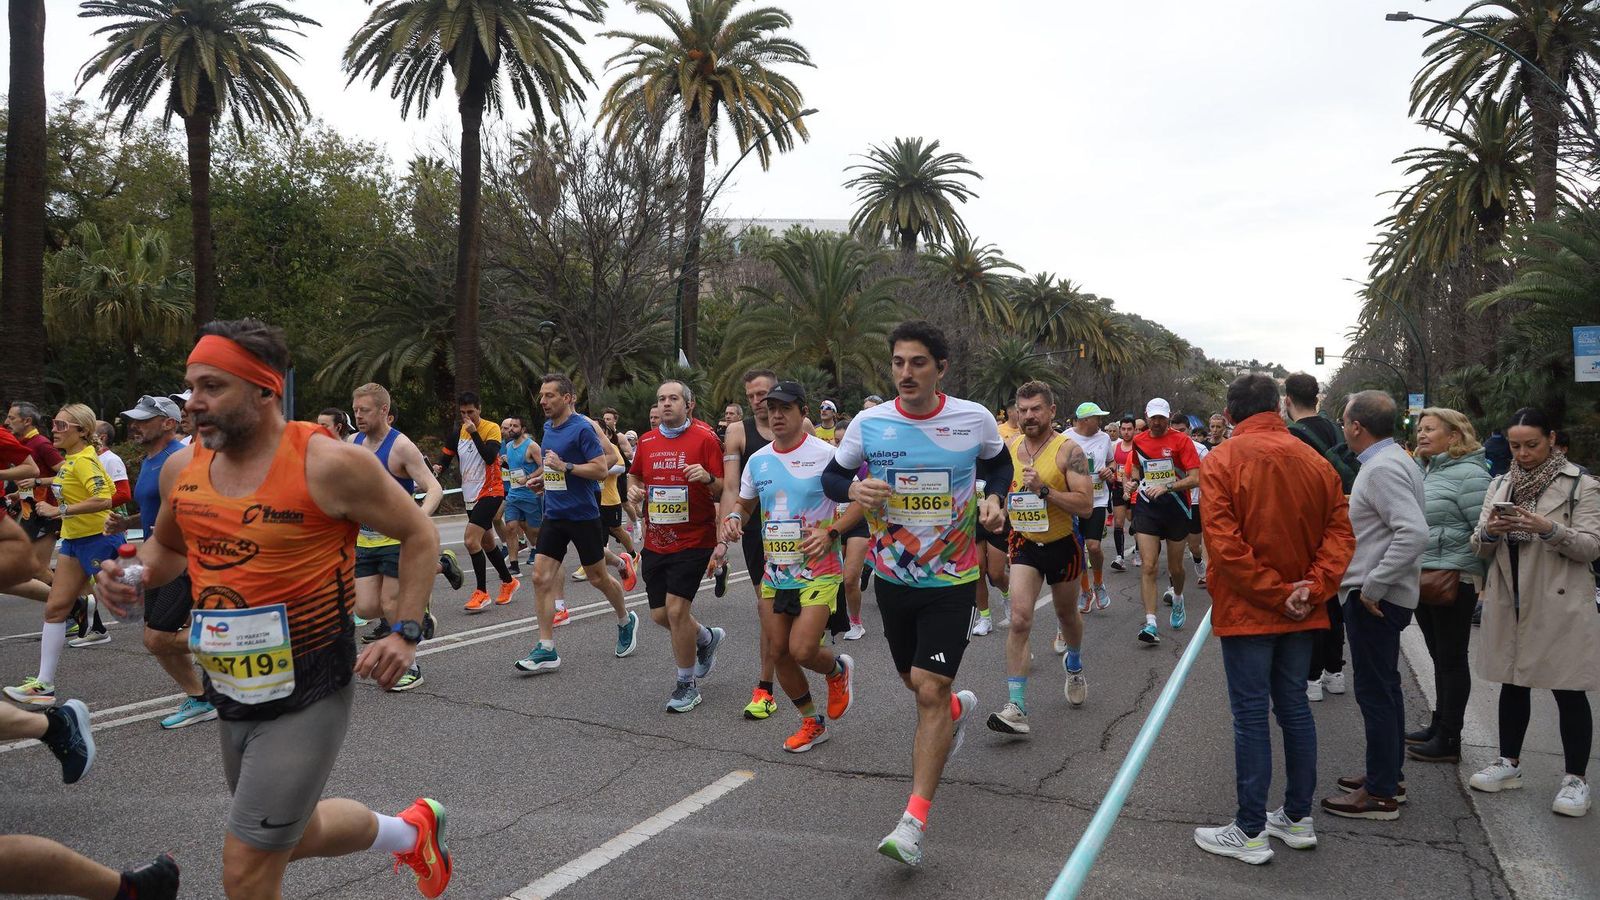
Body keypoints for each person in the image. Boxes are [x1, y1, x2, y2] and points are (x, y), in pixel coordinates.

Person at [93, 319, 452, 899]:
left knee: (247, 863)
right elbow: (169, 548)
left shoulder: (328, 464)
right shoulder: (186, 469)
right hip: (232, 682)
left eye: (212, 387)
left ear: (265, 390)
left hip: (309, 682)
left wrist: (404, 631)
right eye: (191, 389)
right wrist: (132, 576)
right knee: (290, 832)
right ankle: (409, 833)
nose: (194, 404)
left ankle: (406, 834)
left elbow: (419, 535)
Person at [823, 320, 1010, 867]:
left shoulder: (972, 419)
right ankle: (955, 709)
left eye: (918, 363)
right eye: (899, 362)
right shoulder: (869, 422)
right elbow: (834, 479)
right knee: (915, 682)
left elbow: (998, 462)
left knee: (926, 689)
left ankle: (912, 823)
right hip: (893, 576)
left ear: (940, 368)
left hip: (952, 578)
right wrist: (853, 488)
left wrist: (995, 496)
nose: (906, 373)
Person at [1192, 374, 1355, 865]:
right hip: (1303, 609)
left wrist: (1277, 593)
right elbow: (1340, 533)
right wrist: (1312, 588)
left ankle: (1249, 829)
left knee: (1250, 716)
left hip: (1250, 611)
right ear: (1280, 407)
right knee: (1294, 710)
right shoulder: (1316, 460)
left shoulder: (1221, 460)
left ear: (1231, 411)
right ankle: (1297, 817)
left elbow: (1224, 544)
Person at [1467, 407, 1599, 818]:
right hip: (1512, 597)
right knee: (1513, 681)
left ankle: (1575, 779)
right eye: (1515, 445)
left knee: (1568, 689)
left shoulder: (1582, 485)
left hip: (1559, 599)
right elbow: (1478, 543)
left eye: (1532, 444)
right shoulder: (1502, 483)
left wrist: (1549, 529)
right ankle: (1509, 763)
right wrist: (1491, 531)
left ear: (1552, 439)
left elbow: (1591, 546)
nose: (1522, 453)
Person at [724, 380, 858, 750]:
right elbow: (746, 503)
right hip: (777, 571)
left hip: (820, 569)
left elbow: (861, 501)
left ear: (803, 412)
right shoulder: (759, 460)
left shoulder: (827, 455)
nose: (776, 414)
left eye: (785, 408)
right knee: (778, 651)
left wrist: (831, 531)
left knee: (802, 649)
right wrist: (735, 517)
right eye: (772, 408)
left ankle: (837, 670)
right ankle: (811, 721)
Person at [1322, 390, 1427, 821]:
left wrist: (1373, 586)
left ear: (1356, 427)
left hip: (1375, 599)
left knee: (1375, 693)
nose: (1343, 426)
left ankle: (1382, 793)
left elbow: (1413, 532)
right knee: (1385, 688)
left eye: (1345, 420)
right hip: (1380, 595)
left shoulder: (1382, 468)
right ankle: (1387, 776)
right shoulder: (1392, 461)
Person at [986, 382, 1094, 736]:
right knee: (1019, 619)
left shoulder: (1069, 451)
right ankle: (1016, 707)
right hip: (1024, 543)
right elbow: (1003, 491)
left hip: (1063, 544)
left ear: (1051, 410)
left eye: (1036, 409)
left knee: (1066, 615)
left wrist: (1045, 491)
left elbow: (1086, 504)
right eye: (1023, 409)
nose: (1029, 416)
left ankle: (1074, 663)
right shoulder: (1010, 446)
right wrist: (999, 510)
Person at [105, 395, 218, 728]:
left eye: (143, 420)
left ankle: (235, 639)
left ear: (168, 423)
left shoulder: (180, 459)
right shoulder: (154, 461)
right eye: (133, 419)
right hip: (159, 554)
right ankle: (201, 696)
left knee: (156, 638)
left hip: (181, 560)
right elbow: (162, 514)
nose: (134, 426)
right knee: (158, 637)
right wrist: (126, 524)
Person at [515, 375, 640, 674]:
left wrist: (566, 467)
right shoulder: (547, 428)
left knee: (598, 578)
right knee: (540, 577)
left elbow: (599, 469)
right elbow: (554, 466)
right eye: (541, 396)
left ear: (568, 398)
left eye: (550, 396)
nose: (543, 401)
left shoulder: (582, 428)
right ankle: (546, 648)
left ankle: (625, 619)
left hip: (583, 515)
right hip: (555, 514)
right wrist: (542, 480)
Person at [5, 405, 120, 702]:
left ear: (81, 431)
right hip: (73, 541)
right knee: (55, 609)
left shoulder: (83, 461)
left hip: (97, 541)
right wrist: (33, 486)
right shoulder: (72, 460)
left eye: (60, 425)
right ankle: (44, 686)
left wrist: (60, 510)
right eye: (54, 424)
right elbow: (70, 482)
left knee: (133, 607)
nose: (53, 429)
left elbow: (104, 498)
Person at [350, 382, 460, 692]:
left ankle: (411, 665)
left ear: (384, 411)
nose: (358, 415)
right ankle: (438, 566)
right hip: (365, 541)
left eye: (365, 410)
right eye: (356, 410)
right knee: (366, 608)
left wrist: (417, 521)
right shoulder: (352, 443)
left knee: (390, 602)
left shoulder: (401, 447)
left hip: (397, 540)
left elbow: (433, 487)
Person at [629, 380, 727, 712]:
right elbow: (634, 476)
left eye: (673, 398)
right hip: (656, 540)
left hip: (695, 539)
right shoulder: (646, 440)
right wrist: (633, 489)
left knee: (676, 611)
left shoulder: (706, 438)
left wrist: (709, 478)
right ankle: (706, 638)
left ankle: (687, 685)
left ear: (689, 404)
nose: (666, 404)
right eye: (661, 399)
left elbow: (726, 487)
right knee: (660, 615)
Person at [1406, 407, 1490, 764]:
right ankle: (1439, 724)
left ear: (1454, 436)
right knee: (1438, 657)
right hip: (1425, 575)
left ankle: (1450, 738)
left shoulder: (1471, 474)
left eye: (1430, 430)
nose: (1421, 435)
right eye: (1420, 430)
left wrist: (1473, 572)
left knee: (1452, 659)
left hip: (1454, 578)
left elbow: (1483, 533)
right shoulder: (1429, 471)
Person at [1284, 373, 1350, 701]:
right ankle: (1335, 671)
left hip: (1309, 522)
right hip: (1340, 516)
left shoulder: (1292, 435)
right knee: (1332, 598)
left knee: (1311, 596)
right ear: (1317, 398)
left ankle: (1310, 676)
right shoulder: (1335, 428)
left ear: (1287, 401)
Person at [1122, 398, 1202, 644]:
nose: (1156, 422)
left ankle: (1178, 597)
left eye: (1161, 418)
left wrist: (1167, 487)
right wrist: (1133, 481)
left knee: (1176, 568)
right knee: (1149, 565)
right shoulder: (1139, 440)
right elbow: (1136, 468)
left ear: (1168, 418)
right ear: (1146, 416)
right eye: (1153, 418)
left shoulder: (1182, 441)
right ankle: (1151, 623)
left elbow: (1195, 478)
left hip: (1176, 507)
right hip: (1147, 507)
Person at [434, 392, 518, 611]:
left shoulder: (491, 429)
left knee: (471, 541)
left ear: (479, 409)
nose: (467, 417)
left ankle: (481, 592)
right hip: (470, 494)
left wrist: (474, 433)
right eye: (463, 413)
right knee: (487, 543)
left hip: (491, 491)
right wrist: (437, 468)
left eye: (471, 411)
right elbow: (445, 458)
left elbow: (489, 457)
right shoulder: (457, 433)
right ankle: (509, 582)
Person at [6, 401, 64, 594]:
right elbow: (31, 480)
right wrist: (19, 494)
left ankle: (75, 607)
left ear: (27, 421)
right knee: (33, 569)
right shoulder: (21, 444)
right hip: (31, 514)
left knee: (38, 570)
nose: (6, 422)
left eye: (11, 418)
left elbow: (67, 476)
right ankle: (74, 608)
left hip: (48, 515)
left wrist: (37, 483)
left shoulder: (41, 444)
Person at [1064, 401, 1115, 613]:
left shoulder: (1104, 438)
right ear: (1085, 420)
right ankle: (1085, 591)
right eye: (1097, 417)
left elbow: (1112, 463)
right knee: (1078, 549)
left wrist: (1109, 471)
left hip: (1098, 499)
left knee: (1093, 546)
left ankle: (1099, 583)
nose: (1100, 421)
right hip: (1074, 501)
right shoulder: (1065, 438)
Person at [499, 415, 546, 589]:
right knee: (510, 527)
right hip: (513, 494)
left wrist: (529, 477)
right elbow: (513, 469)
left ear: (523, 429)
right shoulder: (509, 446)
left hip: (530, 494)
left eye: (515, 426)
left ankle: (545, 555)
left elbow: (543, 466)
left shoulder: (532, 446)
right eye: (510, 426)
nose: (511, 429)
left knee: (534, 530)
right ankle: (514, 565)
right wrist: (503, 464)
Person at [1171, 414, 1210, 588]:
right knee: (1174, 545)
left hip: (1194, 502)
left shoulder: (1200, 449)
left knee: (1194, 545)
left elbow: (1209, 476)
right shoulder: (1165, 447)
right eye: (1175, 430)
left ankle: (1198, 560)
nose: (1179, 434)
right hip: (1172, 502)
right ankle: (1173, 587)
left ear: (1188, 430)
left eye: (1182, 430)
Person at [1109, 415, 1136, 571]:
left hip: (1135, 488)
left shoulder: (1138, 447)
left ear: (1134, 430)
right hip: (1119, 488)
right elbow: (1112, 464)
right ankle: (1120, 558)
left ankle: (1139, 550)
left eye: (1129, 429)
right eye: (1123, 429)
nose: (1126, 432)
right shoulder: (1115, 447)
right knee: (1118, 522)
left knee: (1133, 519)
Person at [92, 421, 133, 511]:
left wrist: (91, 508)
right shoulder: (88, 458)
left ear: (102, 438)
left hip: (106, 521)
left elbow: (124, 494)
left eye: (89, 431)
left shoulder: (112, 460)